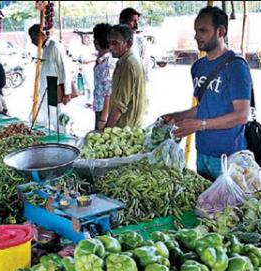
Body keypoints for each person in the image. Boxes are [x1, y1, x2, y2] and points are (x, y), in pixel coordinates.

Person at [162, 6, 252, 181]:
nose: (197, 36)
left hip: (228, 157)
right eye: (196, 31)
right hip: (202, 153)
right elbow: (204, 108)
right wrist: (177, 116)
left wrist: (198, 125)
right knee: (205, 206)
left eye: (202, 30)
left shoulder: (236, 66)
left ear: (221, 31)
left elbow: (242, 116)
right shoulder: (198, 67)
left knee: (227, 208)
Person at [28, 24, 73, 129]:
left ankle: (62, 137)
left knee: (56, 117)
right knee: (42, 115)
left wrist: (67, 93)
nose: (32, 41)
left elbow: (65, 68)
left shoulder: (54, 45)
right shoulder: (45, 48)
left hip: (53, 85)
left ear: (39, 35)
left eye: (32, 38)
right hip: (45, 86)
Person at [105, 24, 147, 128]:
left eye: (115, 43)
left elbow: (120, 105)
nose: (110, 47)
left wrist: (106, 130)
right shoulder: (129, 60)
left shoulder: (128, 64)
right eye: (109, 43)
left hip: (126, 128)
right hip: (130, 125)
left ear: (128, 44)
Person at [92, 23, 113, 131]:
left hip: (104, 110)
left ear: (96, 41)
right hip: (99, 107)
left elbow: (108, 91)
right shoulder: (101, 59)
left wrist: (103, 118)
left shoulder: (108, 62)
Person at [119, 7, 150, 81]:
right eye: (132, 21)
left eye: (137, 21)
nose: (136, 24)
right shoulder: (114, 41)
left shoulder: (140, 41)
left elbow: (145, 64)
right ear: (122, 21)